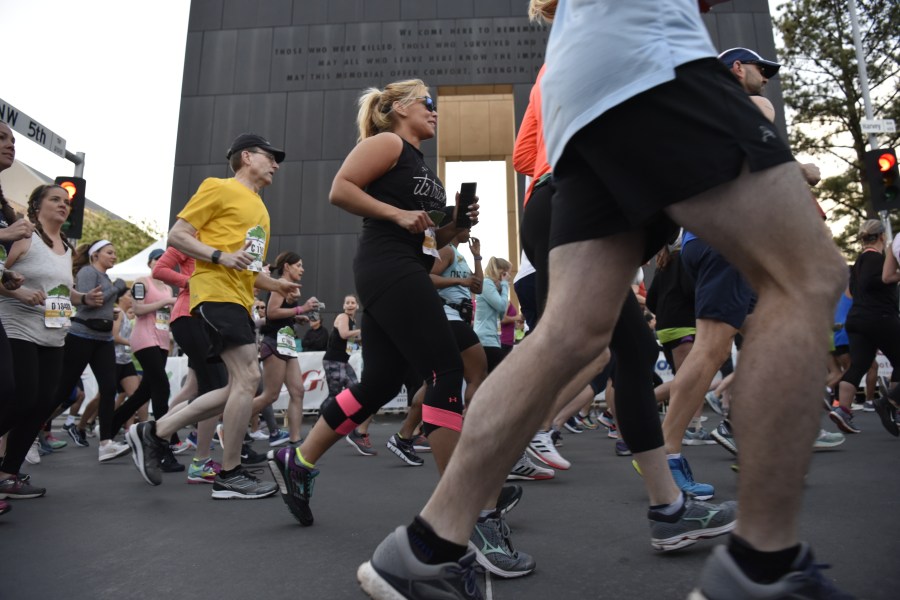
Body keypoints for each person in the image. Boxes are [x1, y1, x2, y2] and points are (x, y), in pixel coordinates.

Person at [358, 1, 850, 599]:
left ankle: (427, 546)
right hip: (652, 59)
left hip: (581, 101)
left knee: (572, 334)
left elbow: (526, 154)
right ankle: (764, 567)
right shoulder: (389, 149)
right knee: (806, 276)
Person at [269, 79, 534, 579]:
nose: (434, 111)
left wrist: (455, 226)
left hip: (402, 266)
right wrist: (398, 213)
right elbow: (340, 190)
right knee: (445, 370)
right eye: (427, 103)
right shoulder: (387, 142)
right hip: (388, 267)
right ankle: (469, 518)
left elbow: (427, 238)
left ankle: (298, 461)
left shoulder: (420, 164)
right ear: (398, 108)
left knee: (380, 382)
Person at [128, 133, 300, 500]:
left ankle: (155, 432)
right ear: (246, 156)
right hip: (214, 293)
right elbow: (178, 235)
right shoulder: (219, 187)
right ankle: (230, 473)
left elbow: (248, 268)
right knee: (248, 378)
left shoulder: (260, 209)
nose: (276, 164)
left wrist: (277, 285)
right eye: (270, 156)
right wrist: (220, 256)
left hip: (238, 298)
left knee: (237, 386)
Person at [0, 184, 102, 498]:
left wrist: (83, 297)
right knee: (23, 398)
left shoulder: (66, 248)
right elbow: (1, 273)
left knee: (44, 403)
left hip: (54, 334)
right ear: (36, 206)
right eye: (54, 199)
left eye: (66, 202)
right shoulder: (24, 236)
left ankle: (7, 474)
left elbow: (61, 288)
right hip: (18, 328)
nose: (63, 205)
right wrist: (19, 292)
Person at [152, 244, 226, 483]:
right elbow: (160, 269)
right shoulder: (191, 236)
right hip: (190, 317)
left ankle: (155, 437)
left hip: (208, 320)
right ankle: (156, 437)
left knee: (201, 389)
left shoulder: (222, 240)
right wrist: (191, 282)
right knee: (217, 390)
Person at [52, 240, 131, 463]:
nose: (114, 256)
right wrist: (116, 288)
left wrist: (109, 314)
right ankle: (31, 431)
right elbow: (87, 302)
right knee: (63, 390)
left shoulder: (106, 278)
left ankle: (106, 443)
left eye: (114, 252)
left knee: (109, 388)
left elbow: (100, 304)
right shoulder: (88, 272)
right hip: (81, 337)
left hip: (104, 339)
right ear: (95, 255)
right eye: (109, 252)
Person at [111, 248, 181, 470]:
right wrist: (166, 301)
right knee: (161, 387)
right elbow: (138, 309)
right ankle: (163, 447)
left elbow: (166, 316)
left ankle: (110, 426)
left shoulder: (168, 287)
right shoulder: (142, 282)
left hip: (162, 341)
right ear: (150, 263)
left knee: (144, 392)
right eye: (157, 259)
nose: (161, 262)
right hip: (143, 339)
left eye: (165, 260)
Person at [829, 219, 900, 435]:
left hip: (857, 319)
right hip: (879, 317)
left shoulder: (858, 262)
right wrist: (892, 278)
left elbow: (852, 291)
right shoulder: (875, 259)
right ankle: (893, 407)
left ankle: (842, 410)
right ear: (882, 237)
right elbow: (875, 281)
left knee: (858, 366)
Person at [0, 122, 34, 515]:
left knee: (11, 393)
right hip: (17, 323)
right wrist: (6, 235)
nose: (11, 145)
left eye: (13, 140)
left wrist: (5, 277)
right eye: (2, 138)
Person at [251, 251, 317, 447]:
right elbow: (271, 313)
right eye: (298, 265)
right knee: (270, 395)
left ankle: (295, 440)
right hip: (275, 343)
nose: (302, 269)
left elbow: (280, 314)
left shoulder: (288, 286)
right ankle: (228, 423)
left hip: (287, 344)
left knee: (298, 391)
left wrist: (295, 318)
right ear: (287, 267)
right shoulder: (279, 284)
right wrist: (301, 309)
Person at [473, 257, 512, 372]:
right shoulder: (486, 283)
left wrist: (501, 290)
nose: (509, 278)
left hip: (492, 340)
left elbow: (502, 314)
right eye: (507, 274)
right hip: (486, 340)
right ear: (502, 273)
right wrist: (504, 285)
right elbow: (501, 306)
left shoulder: (491, 287)